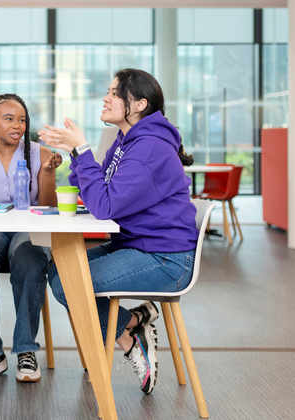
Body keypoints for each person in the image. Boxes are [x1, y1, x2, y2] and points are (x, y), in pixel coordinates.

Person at [38, 68, 198, 395]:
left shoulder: (149, 147)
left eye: (114, 93)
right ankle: (135, 322)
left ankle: (128, 336)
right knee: (57, 269)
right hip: (136, 246)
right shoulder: (126, 141)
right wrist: (75, 153)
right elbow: (90, 189)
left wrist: (82, 150)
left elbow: (105, 207)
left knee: (68, 282)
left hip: (165, 259)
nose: (105, 98)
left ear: (138, 104)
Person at [0, 93, 62, 383]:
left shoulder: (41, 154)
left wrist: (47, 173)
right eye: (9, 119)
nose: (17, 125)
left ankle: (26, 349)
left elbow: (46, 207)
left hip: (27, 231)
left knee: (30, 255)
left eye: (22, 119)